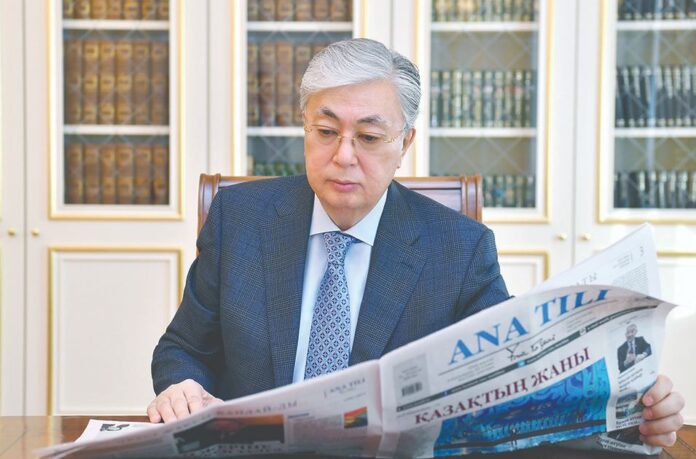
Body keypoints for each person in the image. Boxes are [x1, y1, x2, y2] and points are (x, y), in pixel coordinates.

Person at [148, 38, 684, 448]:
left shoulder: (458, 249)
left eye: (369, 137)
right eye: (326, 131)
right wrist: (181, 387)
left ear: (405, 142)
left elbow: (514, 387)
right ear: (304, 129)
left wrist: (633, 417)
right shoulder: (241, 219)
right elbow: (182, 348)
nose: (343, 156)